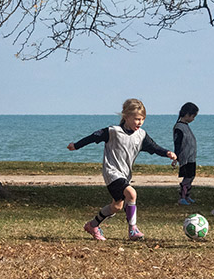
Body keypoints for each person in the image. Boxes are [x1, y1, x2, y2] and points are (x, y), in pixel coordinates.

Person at [67, 98, 177, 241]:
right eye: (137, 119)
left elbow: (154, 147)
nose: (140, 122)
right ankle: (133, 230)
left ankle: (92, 225)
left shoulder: (141, 135)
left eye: (142, 119)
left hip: (125, 175)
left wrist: (167, 153)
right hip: (111, 172)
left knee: (116, 206)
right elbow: (93, 137)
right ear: (126, 116)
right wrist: (76, 145)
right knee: (131, 194)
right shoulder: (113, 131)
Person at [173, 102, 199, 206]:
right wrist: (176, 157)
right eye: (193, 116)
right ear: (187, 114)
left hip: (191, 157)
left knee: (191, 176)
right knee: (187, 177)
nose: (193, 119)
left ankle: (187, 195)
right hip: (185, 157)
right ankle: (182, 197)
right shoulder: (179, 127)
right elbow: (177, 143)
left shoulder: (185, 126)